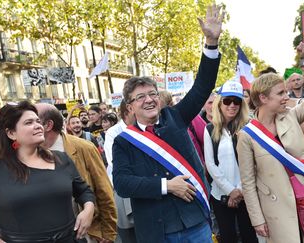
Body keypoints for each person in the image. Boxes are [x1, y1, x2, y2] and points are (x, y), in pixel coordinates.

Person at [112, 5, 223, 242]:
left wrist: (211, 43)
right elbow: (122, 184)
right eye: (140, 97)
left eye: (152, 93)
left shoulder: (176, 116)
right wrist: (166, 186)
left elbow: (203, 86)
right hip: (156, 231)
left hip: (195, 224)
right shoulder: (124, 141)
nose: (149, 100)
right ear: (130, 107)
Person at [0, 101, 96, 243]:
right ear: (11, 133)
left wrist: (88, 210)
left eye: (37, 121)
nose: (38, 126)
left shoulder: (61, 159)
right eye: (29, 122)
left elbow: (84, 191)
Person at [237, 43, 304, 243]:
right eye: (280, 93)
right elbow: (248, 182)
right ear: (263, 98)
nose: (286, 97)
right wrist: (257, 220)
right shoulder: (247, 135)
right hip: (276, 212)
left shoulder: (292, 115)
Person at [36, 103, 117, 243]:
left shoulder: (83, 148)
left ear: (48, 125)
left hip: (88, 234)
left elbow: (104, 191)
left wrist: (108, 234)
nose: (31, 126)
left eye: (35, 121)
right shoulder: (28, 153)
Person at [203, 81, 257, 243]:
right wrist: (229, 190)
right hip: (220, 195)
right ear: (220, 103)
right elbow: (210, 164)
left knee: (249, 235)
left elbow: (253, 162)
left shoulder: (249, 127)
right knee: (227, 237)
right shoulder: (209, 129)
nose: (232, 105)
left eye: (237, 101)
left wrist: (239, 190)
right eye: (227, 101)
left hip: (246, 192)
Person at [103, 100, 137, 243]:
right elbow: (116, 163)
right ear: (127, 112)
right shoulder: (113, 133)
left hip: (144, 188)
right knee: (130, 235)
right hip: (125, 192)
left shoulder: (145, 128)